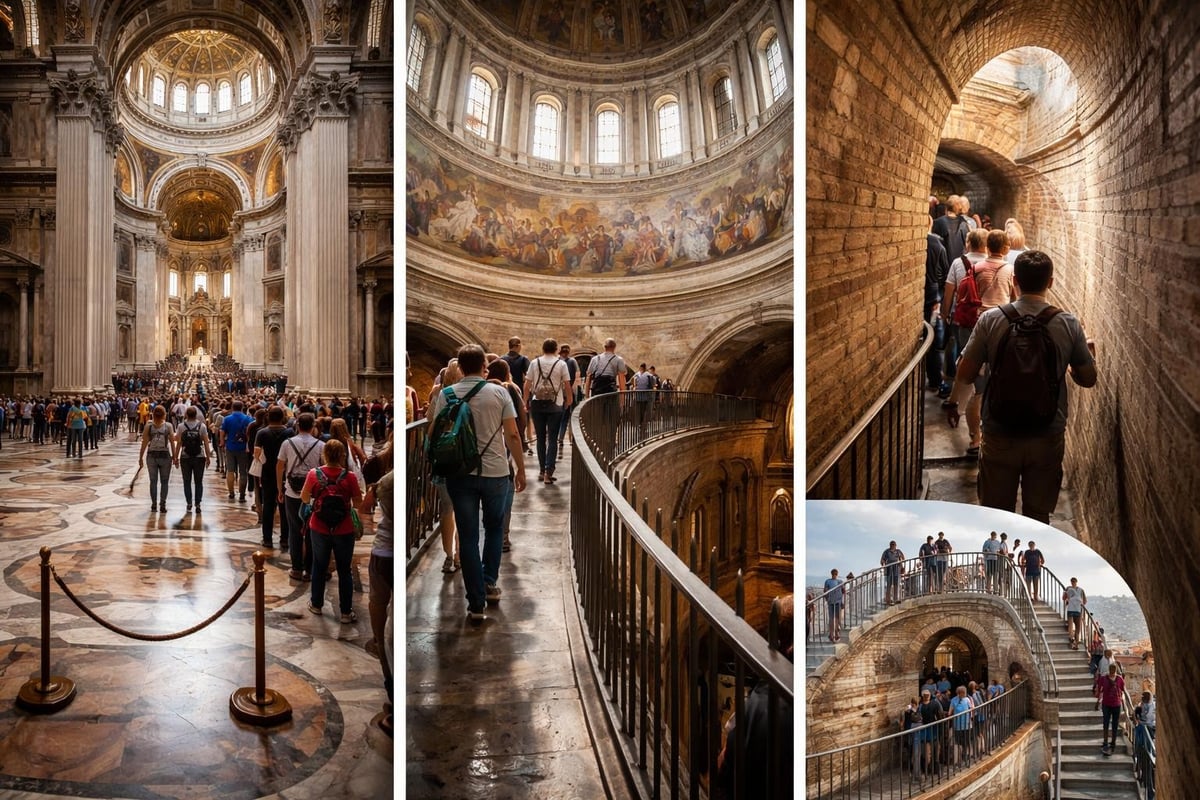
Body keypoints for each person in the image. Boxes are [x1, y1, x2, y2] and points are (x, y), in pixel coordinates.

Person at [946, 250, 1097, 524]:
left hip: (999, 432)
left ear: (1014, 280)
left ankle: (1001, 566)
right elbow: (1088, 379)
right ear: (1050, 282)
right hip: (1047, 433)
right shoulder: (1068, 323)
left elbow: (965, 374)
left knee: (997, 514)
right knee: (1038, 517)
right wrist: (1075, 362)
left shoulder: (991, 320)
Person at [428, 344, 527, 622]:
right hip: (495, 472)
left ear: (459, 366)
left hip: (460, 473)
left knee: (468, 536)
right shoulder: (499, 392)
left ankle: (475, 604)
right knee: (494, 529)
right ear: (484, 366)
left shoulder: (447, 394)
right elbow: (513, 435)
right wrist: (520, 469)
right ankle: (489, 582)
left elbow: (433, 431)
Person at [301, 439, 362, 623]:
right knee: (344, 570)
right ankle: (345, 612)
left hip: (319, 527)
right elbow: (358, 503)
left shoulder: (314, 474)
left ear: (324, 454)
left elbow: (304, 498)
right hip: (344, 528)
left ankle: (317, 604)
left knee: (319, 566)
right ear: (342, 455)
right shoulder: (349, 477)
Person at [277, 413, 325, 581]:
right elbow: (323, 470)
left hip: (291, 491)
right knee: (312, 530)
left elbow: (280, 467)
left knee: (294, 530)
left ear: (297, 426)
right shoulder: (321, 445)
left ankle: (297, 568)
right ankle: (310, 569)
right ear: (313, 427)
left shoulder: (287, 443)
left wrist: (280, 489)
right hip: (312, 493)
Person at [523, 338, 572, 485]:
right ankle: (548, 472)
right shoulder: (561, 364)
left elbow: (527, 385)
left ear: (543, 349)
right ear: (556, 349)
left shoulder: (534, 362)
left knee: (540, 438)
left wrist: (525, 402)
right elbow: (567, 384)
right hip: (555, 405)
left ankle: (541, 470)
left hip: (537, 404)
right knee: (552, 439)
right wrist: (568, 400)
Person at [253, 406, 293, 549]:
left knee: (268, 506)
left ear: (269, 417)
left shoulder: (262, 433)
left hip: (268, 472)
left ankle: (267, 539)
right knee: (284, 508)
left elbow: (256, 453)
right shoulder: (289, 432)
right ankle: (284, 539)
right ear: (282, 417)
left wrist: (264, 460)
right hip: (285, 472)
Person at [138, 405, 176, 513]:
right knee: (164, 482)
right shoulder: (168, 426)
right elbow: (172, 442)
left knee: (153, 481)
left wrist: (140, 457)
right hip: (165, 455)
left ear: (153, 414)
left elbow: (144, 443)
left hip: (151, 456)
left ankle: (154, 504)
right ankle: (162, 504)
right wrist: (174, 457)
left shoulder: (148, 426)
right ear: (165, 414)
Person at [176, 405, 213, 513]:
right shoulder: (201, 426)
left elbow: (179, 443)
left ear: (186, 415)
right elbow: (206, 442)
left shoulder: (181, 426)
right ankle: (198, 503)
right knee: (198, 481)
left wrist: (176, 457)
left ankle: (189, 503)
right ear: (196, 415)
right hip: (199, 456)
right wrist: (208, 457)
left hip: (185, 456)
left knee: (186, 481)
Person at [220, 400, 254, 502]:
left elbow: (222, 431)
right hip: (244, 448)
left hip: (230, 447)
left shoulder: (227, 419)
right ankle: (242, 495)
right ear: (242, 407)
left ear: (232, 408)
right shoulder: (248, 419)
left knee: (230, 471)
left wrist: (222, 442)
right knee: (243, 472)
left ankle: (231, 493)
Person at [1095, 663, 1124, 755]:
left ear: (1115, 670)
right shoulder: (1103, 678)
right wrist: (1098, 701)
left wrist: (1120, 700)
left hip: (1116, 704)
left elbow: (1122, 690)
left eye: (1113, 670)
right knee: (1106, 723)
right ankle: (1105, 742)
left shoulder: (1119, 679)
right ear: (1109, 669)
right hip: (1106, 704)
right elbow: (1100, 690)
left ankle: (1113, 743)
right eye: (1111, 670)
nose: (1112, 672)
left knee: (1115, 725)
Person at [948, 685, 975, 765]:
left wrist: (971, 717)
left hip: (967, 724)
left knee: (966, 741)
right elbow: (950, 711)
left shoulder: (967, 699)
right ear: (959, 693)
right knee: (958, 742)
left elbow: (972, 709)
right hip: (957, 725)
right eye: (962, 693)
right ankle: (959, 759)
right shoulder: (953, 700)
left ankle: (968, 756)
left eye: (964, 693)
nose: (964, 694)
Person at [1063, 577, 1087, 649]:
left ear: (1071, 582)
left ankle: (1071, 638)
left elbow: (1064, 598)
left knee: (1070, 626)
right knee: (1077, 628)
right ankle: (1076, 644)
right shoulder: (1081, 590)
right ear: (1076, 582)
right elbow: (1085, 601)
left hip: (1070, 610)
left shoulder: (1068, 589)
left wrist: (1068, 600)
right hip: (1078, 610)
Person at [880, 540, 905, 605]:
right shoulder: (887, 551)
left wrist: (902, 567)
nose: (893, 545)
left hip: (897, 569)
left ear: (896, 545)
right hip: (889, 569)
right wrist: (883, 563)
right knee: (889, 584)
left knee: (896, 584)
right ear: (890, 545)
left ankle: (896, 599)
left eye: (894, 544)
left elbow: (903, 558)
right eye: (892, 544)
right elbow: (882, 559)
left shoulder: (898, 551)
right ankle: (888, 600)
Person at [823, 568, 844, 642]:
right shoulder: (838, 581)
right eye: (834, 574)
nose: (835, 575)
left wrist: (827, 599)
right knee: (833, 618)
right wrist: (827, 599)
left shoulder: (838, 581)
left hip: (836, 601)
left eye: (835, 574)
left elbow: (843, 591)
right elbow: (825, 591)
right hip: (833, 601)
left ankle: (835, 633)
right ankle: (833, 634)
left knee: (835, 618)